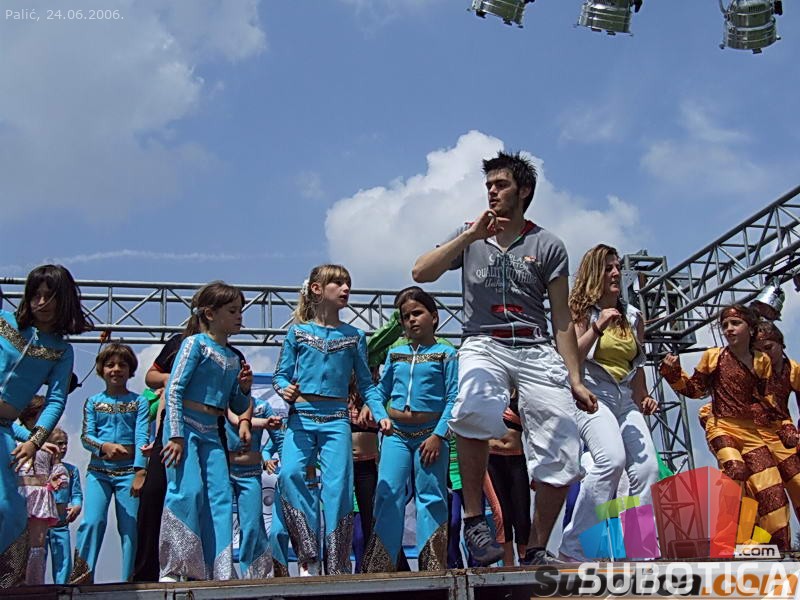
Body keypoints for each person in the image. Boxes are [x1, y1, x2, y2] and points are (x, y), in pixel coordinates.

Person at [412, 151, 596, 565]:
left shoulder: (548, 244)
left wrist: (575, 378)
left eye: (501, 185)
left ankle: (537, 547)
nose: (492, 192)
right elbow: (421, 273)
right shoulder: (470, 234)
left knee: (563, 446)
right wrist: (468, 238)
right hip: (483, 341)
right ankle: (475, 520)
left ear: (524, 190)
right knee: (473, 405)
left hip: (534, 346)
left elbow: (562, 317)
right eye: (488, 186)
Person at [272, 264, 392, 576]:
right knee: (290, 474)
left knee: (338, 489)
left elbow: (366, 384)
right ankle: (308, 554)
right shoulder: (298, 332)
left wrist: (380, 413)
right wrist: (284, 389)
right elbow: (280, 375)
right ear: (316, 289)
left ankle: (337, 564)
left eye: (347, 283)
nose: (345, 289)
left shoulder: (354, 336)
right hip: (301, 418)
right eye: (337, 283)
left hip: (337, 420)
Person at [660, 304, 792, 549]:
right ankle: (729, 541)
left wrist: (785, 425)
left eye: (735, 323)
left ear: (750, 329)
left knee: (772, 490)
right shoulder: (714, 357)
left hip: (752, 433)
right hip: (721, 427)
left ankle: (776, 548)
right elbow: (695, 390)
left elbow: (768, 399)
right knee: (735, 470)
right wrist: (673, 374)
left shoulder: (762, 361)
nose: (729, 329)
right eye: (725, 325)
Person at [558, 244, 660, 561]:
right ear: (594, 274)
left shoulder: (633, 316)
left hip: (624, 397)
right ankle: (574, 548)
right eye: (608, 268)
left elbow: (637, 364)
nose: (616, 273)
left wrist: (644, 397)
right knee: (611, 461)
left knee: (647, 469)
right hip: (591, 394)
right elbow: (569, 358)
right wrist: (597, 327)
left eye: (617, 267)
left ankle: (640, 550)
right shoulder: (580, 312)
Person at [0, 264, 89, 588]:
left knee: (11, 512)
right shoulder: (3, 323)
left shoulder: (61, 351)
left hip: (4, 429)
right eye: (35, 295)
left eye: (49, 296)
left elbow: (55, 401)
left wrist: (34, 441)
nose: (41, 302)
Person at [158, 281, 253, 581]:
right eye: (232, 311)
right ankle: (175, 567)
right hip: (184, 427)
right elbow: (174, 388)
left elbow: (236, 404)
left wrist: (244, 388)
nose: (239, 316)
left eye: (240, 311)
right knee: (187, 490)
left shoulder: (233, 357)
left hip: (212, 430)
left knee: (221, 496)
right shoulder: (194, 344)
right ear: (210, 314)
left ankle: (219, 569)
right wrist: (175, 435)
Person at [362, 287, 457, 572]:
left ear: (434, 317)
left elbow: (454, 398)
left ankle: (432, 567)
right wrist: (376, 411)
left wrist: (438, 435)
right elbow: (380, 390)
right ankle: (381, 568)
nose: (411, 320)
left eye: (417, 313)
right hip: (396, 436)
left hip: (431, 436)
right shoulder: (395, 354)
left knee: (431, 497)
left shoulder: (447, 353)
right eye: (405, 316)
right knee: (388, 493)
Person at [69, 343, 149, 583]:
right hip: (99, 472)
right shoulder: (93, 402)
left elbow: (142, 436)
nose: (116, 370)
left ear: (130, 370)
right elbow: (86, 437)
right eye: (110, 365)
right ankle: (82, 577)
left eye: (122, 365)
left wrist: (140, 470)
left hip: (129, 473)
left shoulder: (139, 402)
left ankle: (129, 581)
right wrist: (104, 447)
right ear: (101, 370)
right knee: (93, 521)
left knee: (130, 528)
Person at [226, 393, 282, 578]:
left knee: (251, 526)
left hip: (250, 474)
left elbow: (279, 439)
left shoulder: (262, 407)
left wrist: (286, 467)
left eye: (248, 380)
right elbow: (234, 421)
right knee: (221, 523)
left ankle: (255, 576)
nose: (243, 381)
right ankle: (221, 573)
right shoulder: (222, 403)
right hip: (223, 473)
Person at [15, 396, 68, 584]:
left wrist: (58, 479)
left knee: (37, 544)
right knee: (15, 541)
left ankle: (34, 584)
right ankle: (12, 581)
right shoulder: (13, 440)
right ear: (31, 414)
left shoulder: (50, 441)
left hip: (41, 496)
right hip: (18, 495)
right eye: (42, 414)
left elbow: (59, 467)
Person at [751, 321, 800, 522]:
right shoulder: (748, 372)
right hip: (752, 437)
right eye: (759, 351)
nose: (765, 355)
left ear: (780, 344)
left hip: (782, 435)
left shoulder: (794, 370)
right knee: (762, 495)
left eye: (768, 347)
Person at [487, 394, 530, 566]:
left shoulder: (520, 391)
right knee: (501, 515)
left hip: (515, 460)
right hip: (490, 461)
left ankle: (525, 562)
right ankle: (508, 566)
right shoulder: (484, 391)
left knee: (522, 516)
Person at [46, 427, 83, 584]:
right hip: (40, 525)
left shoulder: (71, 470)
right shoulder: (40, 468)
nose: (64, 447)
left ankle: (62, 590)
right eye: (59, 443)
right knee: (36, 559)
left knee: (63, 563)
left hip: (60, 524)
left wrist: (77, 506)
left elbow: (76, 494)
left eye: (66, 443)